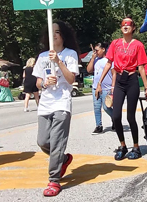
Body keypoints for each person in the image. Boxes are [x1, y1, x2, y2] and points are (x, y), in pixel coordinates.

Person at [33, 20, 79, 197]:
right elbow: (37, 81)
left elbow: (70, 79)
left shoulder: (70, 54)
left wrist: (59, 62)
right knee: (43, 141)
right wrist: (44, 83)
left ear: (63, 35)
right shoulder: (43, 56)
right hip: (45, 103)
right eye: (51, 32)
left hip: (62, 102)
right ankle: (63, 158)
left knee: (57, 141)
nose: (54, 35)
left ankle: (54, 180)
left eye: (57, 32)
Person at [97, 16, 147, 161]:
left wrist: (146, 87)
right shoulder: (115, 44)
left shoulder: (138, 45)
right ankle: (123, 145)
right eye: (123, 25)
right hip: (119, 80)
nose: (125, 26)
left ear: (133, 28)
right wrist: (99, 83)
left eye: (129, 24)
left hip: (132, 80)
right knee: (116, 116)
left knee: (130, 116)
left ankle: (136, 147)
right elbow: (108, 64)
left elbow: (141, 67)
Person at [86, 42, 114, 134]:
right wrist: (93, 58)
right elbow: (89, 70)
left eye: (97, 50)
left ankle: (115, 119)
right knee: (97, 107)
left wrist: (113, 86)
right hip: (96, 87)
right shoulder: (96, 60)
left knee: (107, 107)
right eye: (95, 50)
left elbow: (114, 74)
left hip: (107, 87)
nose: (96, 52)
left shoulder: (108, 60)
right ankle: (99, 125)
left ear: (103, 49)